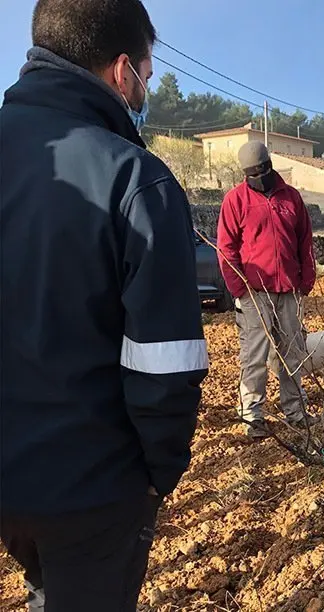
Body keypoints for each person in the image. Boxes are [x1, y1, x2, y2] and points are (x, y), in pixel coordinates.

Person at [0, 1, 208, 610]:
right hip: (92, 486)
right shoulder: (136, 179)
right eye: (148, 70)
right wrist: (157, 474)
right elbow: (165, 365)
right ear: (125, 71)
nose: (147, 85)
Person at [217, 141, 316, 439]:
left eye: (262, 170)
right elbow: (227, 248)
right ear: (245, 173)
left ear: (270, 166)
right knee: (255, 356)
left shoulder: (291, 198)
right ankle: (252, 415)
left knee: (292, 353)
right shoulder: (235, 200)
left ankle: (295, 411)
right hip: (254, 292)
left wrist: (305, 281)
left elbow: (304, 241)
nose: (259, 176)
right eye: (252, 173)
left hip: (288, 289)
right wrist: (240, 289)